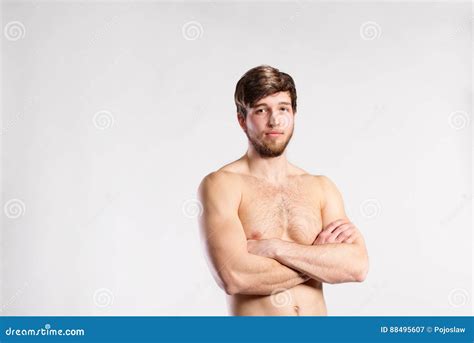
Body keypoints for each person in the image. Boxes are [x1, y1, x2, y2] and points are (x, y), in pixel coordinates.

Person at [197, 65, 369, 316]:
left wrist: (276, 248)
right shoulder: (222, 185)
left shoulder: (321, 187)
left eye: (283, 109)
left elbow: (356, 266)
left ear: (294, 114)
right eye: (261, 110)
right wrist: (318, 260)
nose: (274, 120)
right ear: (242, 120)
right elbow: (234, 276)